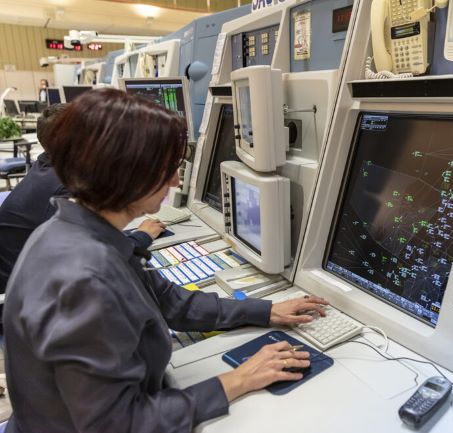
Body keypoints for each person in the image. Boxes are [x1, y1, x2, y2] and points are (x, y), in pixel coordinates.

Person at [3, 88, 328, 433]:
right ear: (128, 173)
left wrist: (266, 311)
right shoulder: (86, 280)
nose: (175, 180)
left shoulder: (77, 229)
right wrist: (236, 380)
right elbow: (121, 426)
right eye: (168, 169)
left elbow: (168, 300)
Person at [0, 103, 165, 294]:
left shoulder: (46, 165)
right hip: (25, 298)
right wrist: (141, 236)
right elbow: (96, 256)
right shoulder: (64, 190)